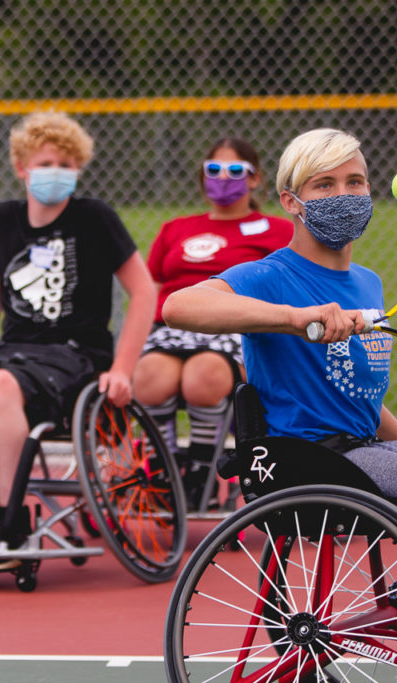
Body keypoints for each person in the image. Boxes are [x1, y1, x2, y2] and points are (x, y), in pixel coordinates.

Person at [161, 127, 397, 656]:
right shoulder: (269, 275)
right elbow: (180, 306)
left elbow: (360, 399)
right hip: (304, 460)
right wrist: (293, 319)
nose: (343, 195)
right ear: (291, 202)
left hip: (359, 453)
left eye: (355, 182)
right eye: (324, 185)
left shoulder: (368, 283)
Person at [0, 112, 157, 567]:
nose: (58, 172)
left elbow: (144, 291)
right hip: (15, 351)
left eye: (68, 165)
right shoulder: (2, 219)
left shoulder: (94, 218)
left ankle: (12, 522)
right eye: (47, 162)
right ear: (21, 167)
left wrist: (123, 369)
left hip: (75, 353)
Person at [136, 137, 292, 507]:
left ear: (254, 179)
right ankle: (165, 472)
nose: (224, 178)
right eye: (214, 170)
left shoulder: (276, 231)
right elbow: (151, 289)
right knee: (148, 378)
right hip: (171, 329)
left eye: (235, 170)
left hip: (234, 330)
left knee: (203, 376)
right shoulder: (176, 228)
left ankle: (201, 477)